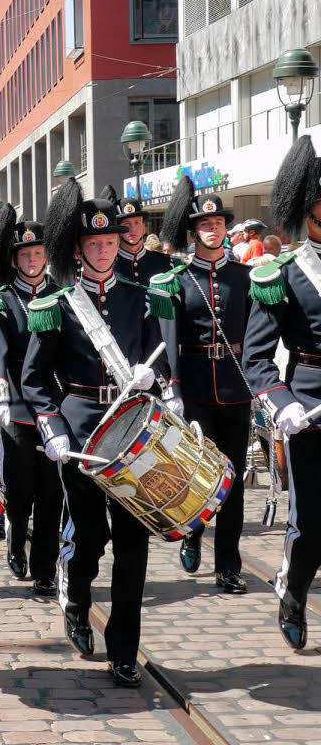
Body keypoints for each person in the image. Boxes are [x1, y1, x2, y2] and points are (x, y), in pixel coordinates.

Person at [21, 180, 169, 688]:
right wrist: (52, 427)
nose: (104, 249)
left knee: (133, 541)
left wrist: (157, 378)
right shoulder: (57, 304)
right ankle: (77, 600)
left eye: (110, 241)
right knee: (90, 536)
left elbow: (162, 360)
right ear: (79, 249)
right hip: (82, 427)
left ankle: (124, 647)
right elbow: (34, 380)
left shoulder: (140, 297)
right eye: (93, 243)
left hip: (130, 428)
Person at [243, 135, 321, 649]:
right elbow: (255, 356)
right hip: (312, 405)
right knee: (313, 520)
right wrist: (283, 402)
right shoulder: (284, 275)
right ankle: (293, 587)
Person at [155, 178, 251, 593]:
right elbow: (170, 337)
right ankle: (193, 533)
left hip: (236, 387)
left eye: (218, 222)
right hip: (194, 388)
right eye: (205, 224)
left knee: (233, 477)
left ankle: (228, 564)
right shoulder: (179, 278)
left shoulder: (245, 277)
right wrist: (172, 386)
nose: (213, 229)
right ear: (194, 231)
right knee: (198, 476)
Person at [0, 206, 61, 596]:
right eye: (26, 254)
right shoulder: (0, 300)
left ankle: (45, 568)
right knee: (18, 488)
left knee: (50, 492)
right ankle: (15, 540)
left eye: (38, 254)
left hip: (54, 405)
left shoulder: (61, 296)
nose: (32, 260)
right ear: (15, 259)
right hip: (15, 404)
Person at [100, 186, 172, 287]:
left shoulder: (165, 262)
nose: (133, 229)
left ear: (144, 228)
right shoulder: (107, 265)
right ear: (118, 230)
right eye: (126, 224)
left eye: (137, 223)